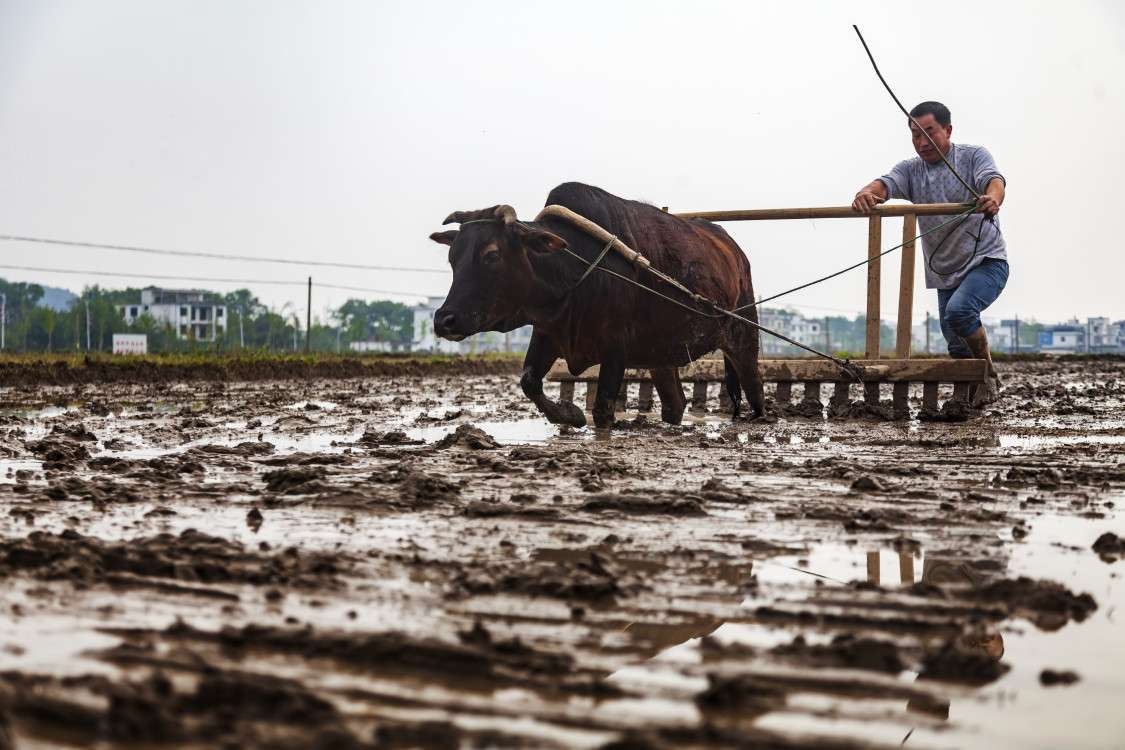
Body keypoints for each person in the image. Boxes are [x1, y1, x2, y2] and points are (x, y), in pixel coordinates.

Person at [851, 101, 1007, 406]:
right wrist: (865, 194)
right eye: (915, 135)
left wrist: (992, 198)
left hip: (985, 261)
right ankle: (967, 397)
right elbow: (884, 184)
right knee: (956, 342)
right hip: (945, 272)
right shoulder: (911, 170)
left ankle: (988, 376)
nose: (921, 142)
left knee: (960, 312)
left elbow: (994, 181)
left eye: (929, 132)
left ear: (948, 130)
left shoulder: (973, 157)